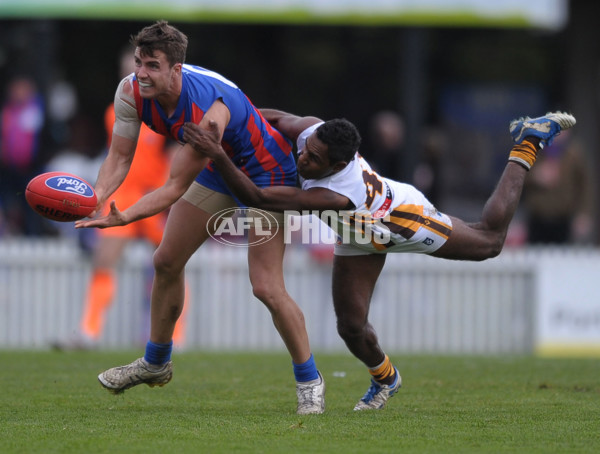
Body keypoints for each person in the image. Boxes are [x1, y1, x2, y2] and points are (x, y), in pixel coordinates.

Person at [182, 110, 576, 410]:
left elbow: (260, 198)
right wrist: (226, 117)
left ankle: (526, 143)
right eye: (307, 148)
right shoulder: (312, 134)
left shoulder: (338, 192)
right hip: (355, 234)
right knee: (350, 327)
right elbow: (263, 115)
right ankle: (386, 379)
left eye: (314, 159)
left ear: (337, 166)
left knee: (490, 241)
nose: (303, 157)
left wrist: (218, 153)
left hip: (396, 220)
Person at [74, 21, 324, 415]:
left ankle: (310, 381)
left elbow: (174, 187)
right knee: (166, 260)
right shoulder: (129, 91)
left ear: (176, 70)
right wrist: (98, 197)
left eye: (153, 65)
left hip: (266, 172)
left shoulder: (206, 110)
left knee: (266, 287)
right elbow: (120, 157)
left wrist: (122, 219)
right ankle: (156, 362)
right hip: (215, 165)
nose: (141, 72)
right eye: (139, 62)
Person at [54, 48, 187, 350]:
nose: (138, 76)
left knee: (171, 264)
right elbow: (116, 157)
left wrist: (171, 189)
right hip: (123, 195)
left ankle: (174, 336)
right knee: (104, 260)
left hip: (156, 195)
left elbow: (177, 150)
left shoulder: (168, 109)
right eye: (131, 70)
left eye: (143, 69)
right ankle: (89, 331)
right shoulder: (114, 112)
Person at [523, 128, 593, 244]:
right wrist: (535, 176)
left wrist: (583, 214)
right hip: (537, 217)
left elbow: (585, 186)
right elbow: (516, 179)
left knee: (561, 257)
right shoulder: (535, 150)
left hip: (563, 218)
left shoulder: (575, 154)